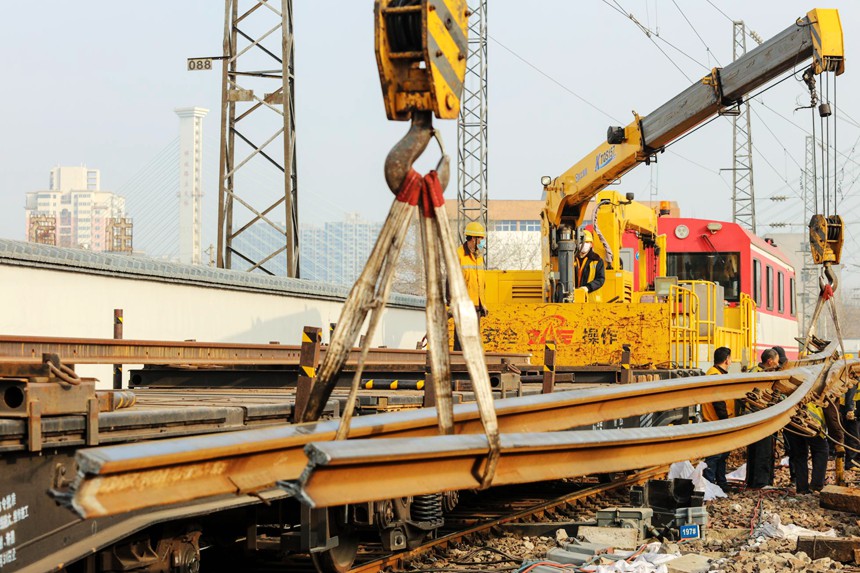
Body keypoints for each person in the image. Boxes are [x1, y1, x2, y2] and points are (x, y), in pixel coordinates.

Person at [745, 348, 780, 488]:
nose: (777, 365)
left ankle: (752, 481)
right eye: (776, 362)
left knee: (753, 450)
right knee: (763, 451)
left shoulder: (752, 370)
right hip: (762, 416)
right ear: (770, 361)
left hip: (752, 416)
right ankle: (762, 482)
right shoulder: (765, 375)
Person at [702, 347, 735, 489]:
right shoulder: (715, 376)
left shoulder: (714, 373)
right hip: (716, 422)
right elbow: (718, 402)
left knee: (722, 456)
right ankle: (708, 485)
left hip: (718, 421)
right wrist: (725, 420)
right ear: (727, 359)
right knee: (715, 456)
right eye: (731, 358)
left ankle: (721, 483)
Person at [453, 222, 487, 351]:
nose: (483, 242)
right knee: (462, 341)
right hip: (464, 304)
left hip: (477, 306)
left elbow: (481, 282)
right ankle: (459, 366)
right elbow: (451, 280)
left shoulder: (478, 256)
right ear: (474, 238)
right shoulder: (459, 254)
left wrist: (483, 304)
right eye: (481, 238)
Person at [785, 401, 829, 493]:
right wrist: (838, 442)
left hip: (790, 419)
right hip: (811, 422)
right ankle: (816, 486)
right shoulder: (829, 396)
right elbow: (833, 418)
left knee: (799, 455)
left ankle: (802, 488)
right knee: (821, 450)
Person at [573, 230, 605, 295]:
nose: (584, 244)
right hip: (574, 297)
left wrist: (588, 287)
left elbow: (600, 279)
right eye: (582, 242)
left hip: (591, 300)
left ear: (591, 245)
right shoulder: (571, 259)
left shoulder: (597, 260)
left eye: (587, 242)